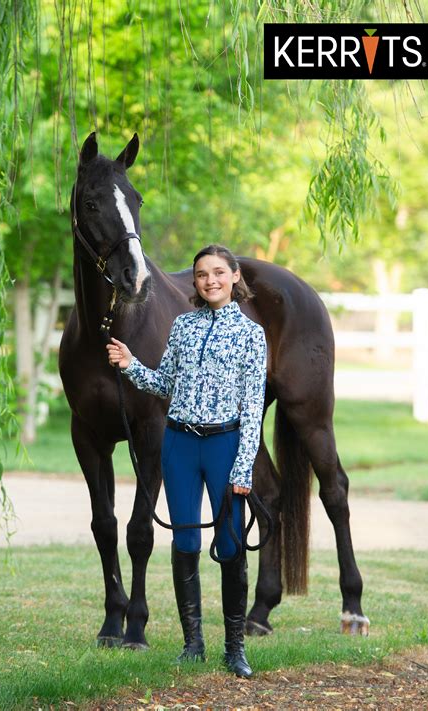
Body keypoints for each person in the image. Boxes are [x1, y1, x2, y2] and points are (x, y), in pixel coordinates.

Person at [106, 244, 267, 678]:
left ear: (235, 276)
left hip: (224, 446)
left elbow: (253, 406)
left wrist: (243, 466)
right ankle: (192, 642)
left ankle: (235, 648)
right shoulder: (182, 326)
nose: (209, 280)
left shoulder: (252, 335)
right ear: (195, 282)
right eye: (201, 275)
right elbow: (164, 385)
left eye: (218, 272)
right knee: (185, 543)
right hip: (178, 445)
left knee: (230, 546)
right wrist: (129, 364)